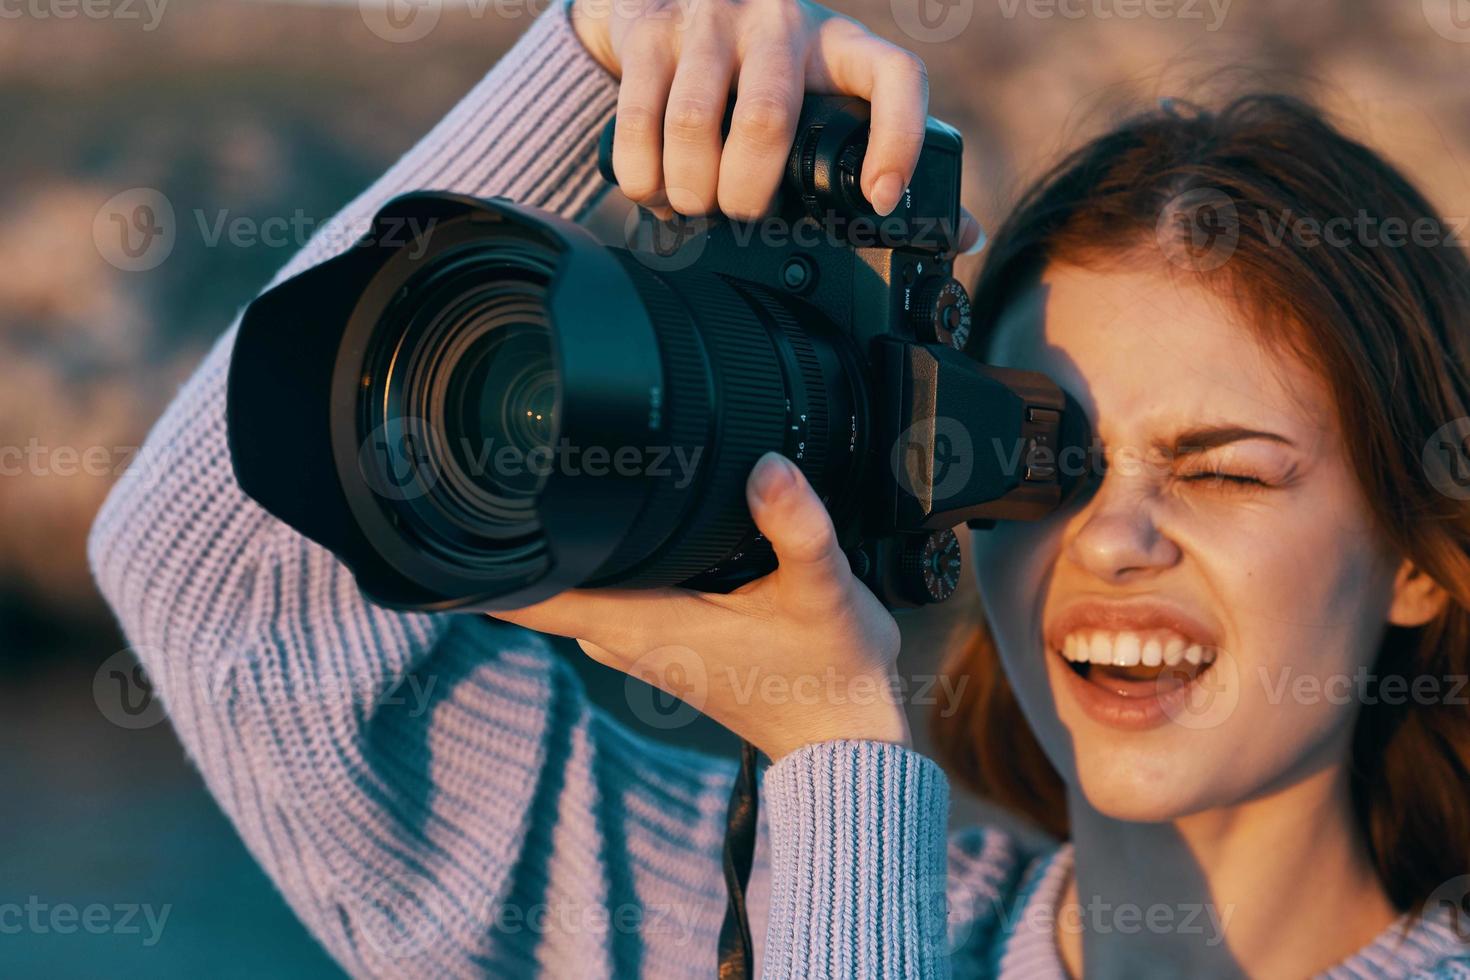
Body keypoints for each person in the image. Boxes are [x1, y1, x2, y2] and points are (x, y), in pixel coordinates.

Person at [89, 0, 1470, 975]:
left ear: (1418, 554)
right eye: (1033, 449)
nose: (1108, 535)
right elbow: (227, 588)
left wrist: (834, 768)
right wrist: (594, 72)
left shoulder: (821, 839)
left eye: (1222, 470)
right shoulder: (711, 909)